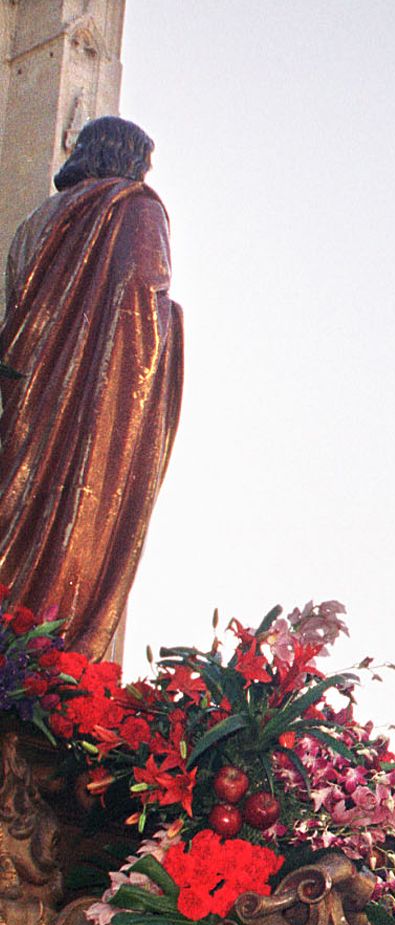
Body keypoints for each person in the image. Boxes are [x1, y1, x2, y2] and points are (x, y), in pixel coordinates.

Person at [0, 115, 183, 660]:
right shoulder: (134, 207)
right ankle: (45, 663)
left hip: (27, 393)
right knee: (76, 522)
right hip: (94, 395)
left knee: (22, 502)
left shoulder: (35, 222)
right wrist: (172, 323)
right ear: (125, 158)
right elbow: (143, 293)